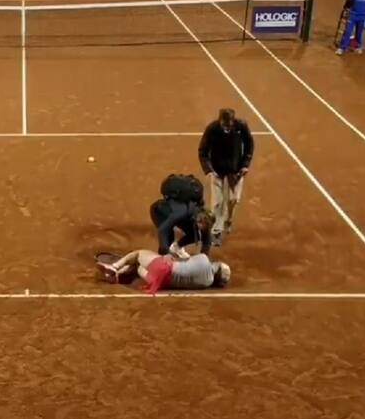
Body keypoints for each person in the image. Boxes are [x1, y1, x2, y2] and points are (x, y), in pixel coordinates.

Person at [198, 108, 255, 244]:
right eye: (225, 126)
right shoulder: (212, 129)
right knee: (217, 202)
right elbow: (202, 151)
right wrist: (209, 170)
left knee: (233, 200)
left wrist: (245, 165)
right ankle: (216, 232)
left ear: (233, 121)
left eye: (229, 126)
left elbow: (249, 145)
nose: (227, 128)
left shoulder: (241, 126)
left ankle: (228, 220)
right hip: (216, 170)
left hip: (235, 171)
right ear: (220, 121)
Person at [96, 249, 231, 294]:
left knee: (139, 254)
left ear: (217, 267)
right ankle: (117, 277)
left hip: (161, 269)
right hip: (157, 282)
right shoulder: (207, 283)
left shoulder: (204, 259)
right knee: (137, 267)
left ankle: (115, 266)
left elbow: (181, 260)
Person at [151, 197, 215, 258]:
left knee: (196, 235)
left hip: (180, 218)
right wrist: (166, 251)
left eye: (205, 226)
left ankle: (176, 247)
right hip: (159, 212)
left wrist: (204, 259)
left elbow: (207, 240)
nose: (201, 227)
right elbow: (163, 229)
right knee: (169, 238)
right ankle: (161, 259)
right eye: (201, 222)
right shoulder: (183, 212)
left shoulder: (201, 217)